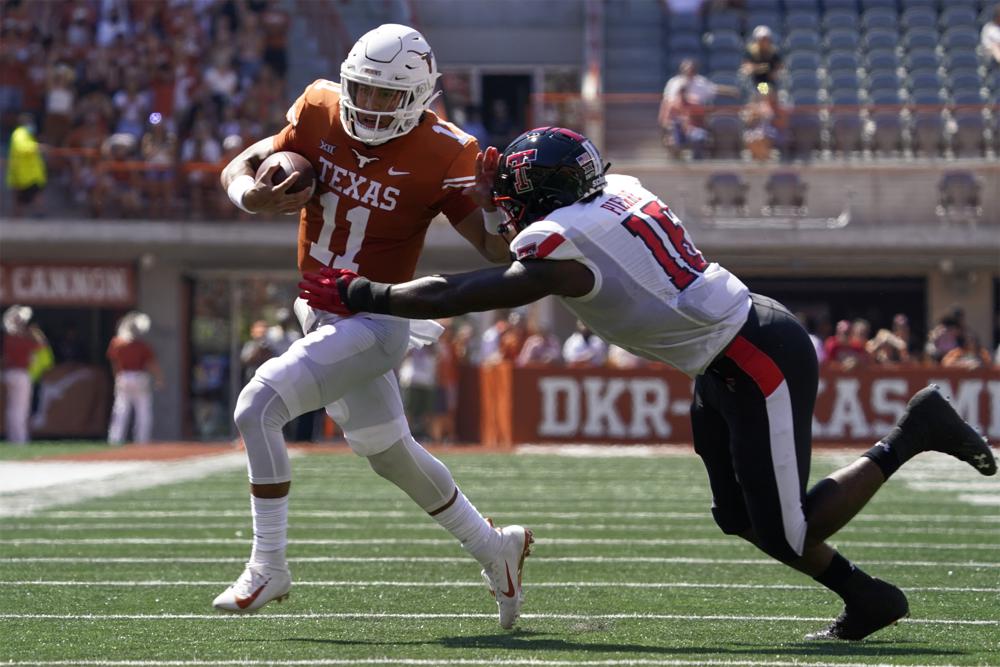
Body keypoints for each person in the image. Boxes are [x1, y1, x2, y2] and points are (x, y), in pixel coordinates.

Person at [299, 126, 997, 641]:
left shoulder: (560, 247)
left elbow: (464, 292)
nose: (506, 205)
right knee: (738, 516)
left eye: (514, 194)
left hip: (755, 355)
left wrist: (366, 292)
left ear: (543, 196)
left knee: (787, 529)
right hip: (723, 356)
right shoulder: (617, 191)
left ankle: (915, 431)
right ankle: (868, 598)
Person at [214, 24, 532, 629]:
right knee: (392, 456)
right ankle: (497, 547)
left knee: (258, 405)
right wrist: (249, 197)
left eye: (387, 95)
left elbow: (497, 252)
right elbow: (246, 162)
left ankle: (269, 565)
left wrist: (496, 203)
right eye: (361, 87)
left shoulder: (448, 152)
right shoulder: (319, 107)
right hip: (318, 310)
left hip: (377, 317)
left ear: (419, 96)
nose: (369, 103)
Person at [107, 311, 163, 445]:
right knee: (143, 410)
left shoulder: (117, 343)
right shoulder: (142, 346)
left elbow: (114, 364)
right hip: (139, 377)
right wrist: (159, 379)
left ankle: (115, 439)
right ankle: (142, 440)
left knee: (121, 410)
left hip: (123, 377)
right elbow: (152, 365)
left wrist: (117, 378)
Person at [2, 306, 41, 445]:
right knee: (20, 409)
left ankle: (13, 438)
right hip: (20, 374)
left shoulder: (8, 339)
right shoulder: (22, 339)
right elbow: (40, 345)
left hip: (8, 374)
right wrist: (31, 331)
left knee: (11, 408)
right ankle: (20, 439)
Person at [5, 113, 47, 217]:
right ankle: (17, 219)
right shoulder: (19, 134)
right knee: (19, 198)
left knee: (36, 194)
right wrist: (37, 147)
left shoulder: (28, 135)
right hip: (21, 174)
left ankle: (39, 214)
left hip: (31, 173)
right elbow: (22, 147)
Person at [741, 26, 782, 95]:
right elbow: (747, 68)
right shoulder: (751, 52)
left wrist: (775, 73)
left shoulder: (773, 52)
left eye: (765, 39)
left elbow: (779, 67)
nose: (764, 42)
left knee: (770, 92)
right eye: (761, 39)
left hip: (770, 83)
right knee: (764, 93)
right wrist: (761, 68)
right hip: (756, 82)